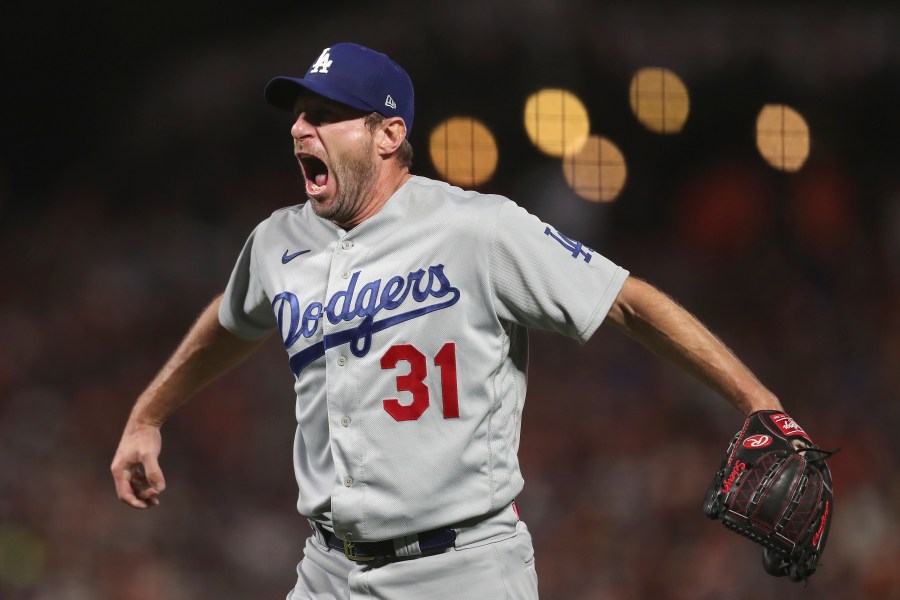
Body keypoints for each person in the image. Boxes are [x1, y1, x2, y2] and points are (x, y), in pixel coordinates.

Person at [111, 42, 786, 599]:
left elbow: (627, 301)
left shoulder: (476, 229)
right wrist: (148, 414)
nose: (298, 128)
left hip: (460, 571)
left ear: (389, 133)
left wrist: (758, 401)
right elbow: (234, 321)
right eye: (298, 114)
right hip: (327, 570)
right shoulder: (276, 241)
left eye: (324, 114)